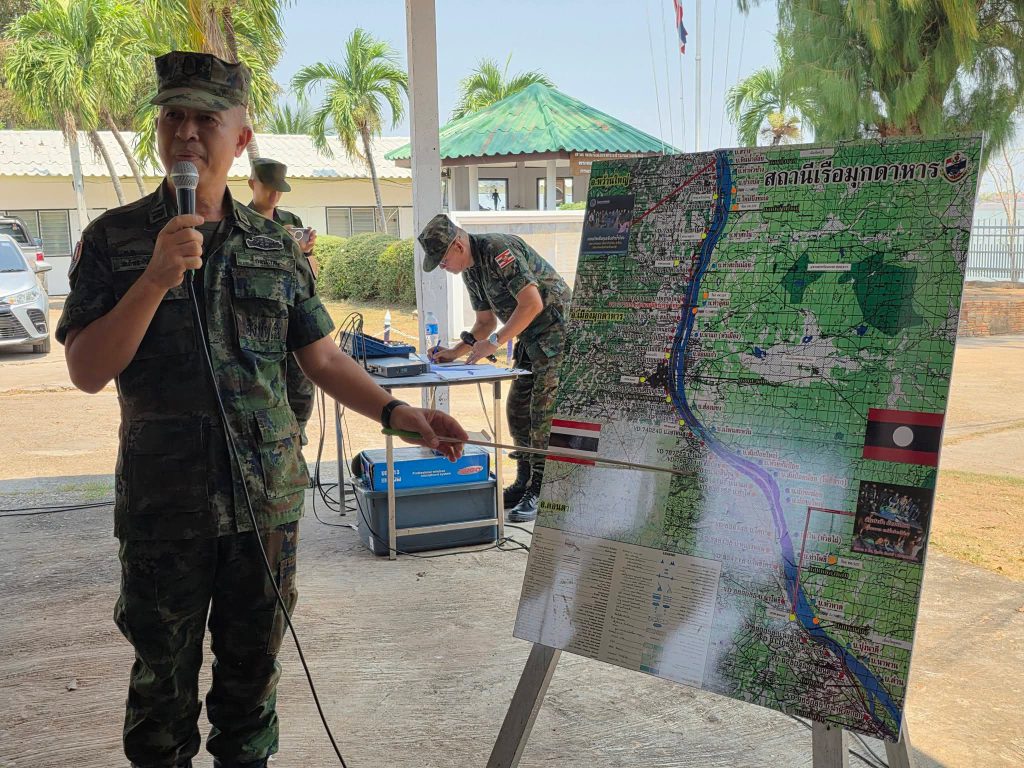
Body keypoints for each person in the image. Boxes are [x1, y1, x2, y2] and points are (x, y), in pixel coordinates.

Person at [56, 51, 466, 768]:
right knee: (161, 693)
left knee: (251, 687)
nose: (186, 132)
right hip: (164, 508)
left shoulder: (277, 246)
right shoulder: (115, 240)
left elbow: (323, 359)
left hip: (264, 505)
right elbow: (88, 370)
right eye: (173, 116)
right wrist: (154, 279)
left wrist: (401, 415)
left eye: (205, 118)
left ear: (241, 137)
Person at [418, 214, 570, 523]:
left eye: (443, 260)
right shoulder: (470, 271)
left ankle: (542, 489)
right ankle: (524, 481)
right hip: (530, 339)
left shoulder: (499, 249)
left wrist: (495, 342)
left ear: (458, 245)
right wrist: (454, 352)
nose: (443, 267)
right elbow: (484, 323)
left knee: (541, 412)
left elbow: (532, 304)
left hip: (557, 333)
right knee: (517, 409)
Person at [247, 157, 317, 449]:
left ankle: (296, 444)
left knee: (301, 387)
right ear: (252, 184)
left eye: (280, 189)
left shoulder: (290, 221)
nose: (275, 195)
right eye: (268, 187)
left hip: (292, 317)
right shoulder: (240, 222)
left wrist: (304, 252)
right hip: (257, 323)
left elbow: (310, 277)